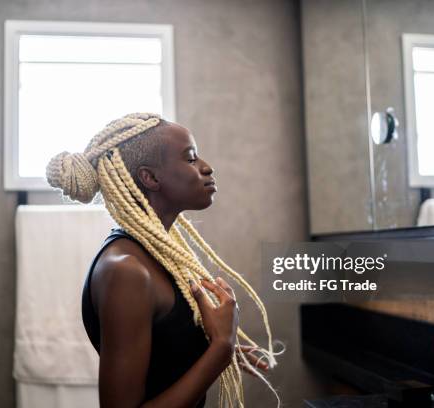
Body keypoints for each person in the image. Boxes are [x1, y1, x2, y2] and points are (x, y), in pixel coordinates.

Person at [46, 113, 281, 408]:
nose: (207, 167)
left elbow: (160, 347)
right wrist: (221, 348)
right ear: (150, 177)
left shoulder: (157, 256)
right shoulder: (127, 272)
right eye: (191, 158)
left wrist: (201, 346)